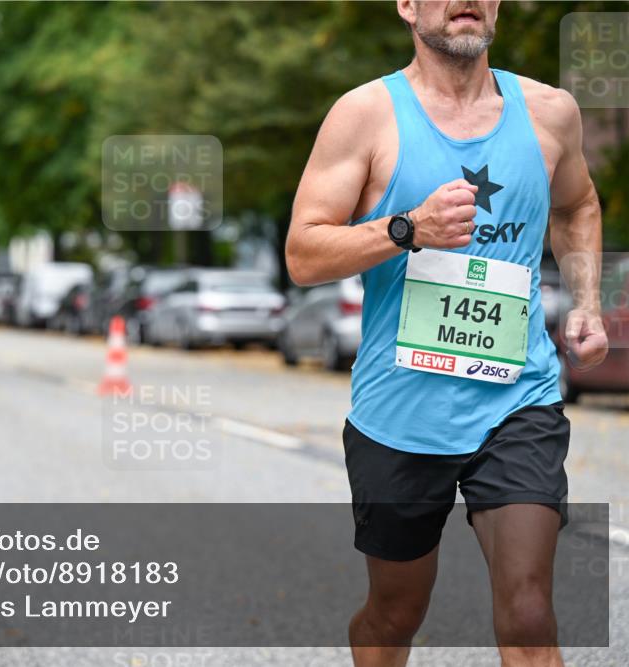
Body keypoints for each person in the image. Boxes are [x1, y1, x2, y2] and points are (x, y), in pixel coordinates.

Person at [285, 2, 607, 666]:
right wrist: (407, 229)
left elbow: (577, 205)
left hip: (518, 398)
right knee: (395, 613)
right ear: (406, 4)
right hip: (399, 412)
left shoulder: (550, 112)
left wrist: (587, 301)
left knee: (528, 611)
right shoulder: (364, 116)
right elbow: (304, 253)